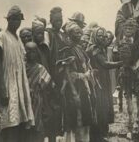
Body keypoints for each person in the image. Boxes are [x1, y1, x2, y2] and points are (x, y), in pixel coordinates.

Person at [0, 5, 34, 142]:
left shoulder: (18, 39)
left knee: (19, 120)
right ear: (8, 20)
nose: (17, 22)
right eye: (14, 19)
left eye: (19, 20)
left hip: (19, 81)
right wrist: (3, 87)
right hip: (7, 80)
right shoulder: (1, 37)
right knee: (9, 121)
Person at [59, 22, 96, 142]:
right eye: (76, 32)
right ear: (69, 34)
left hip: (84, 89)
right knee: (75, 118)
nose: (79, 34)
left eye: (80, 32)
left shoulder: (80, 49)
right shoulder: (67, 50)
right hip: (73, 90)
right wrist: (75, 93)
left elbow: (86, 66)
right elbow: (68, 73)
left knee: (85, 118)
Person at [86, 27, 122, 141]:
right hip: (97, 81)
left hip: (102, 79)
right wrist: (121, 63)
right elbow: (105, 64)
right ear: (95, 36)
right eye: (99, 35)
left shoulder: (100, 47)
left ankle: (100, 133)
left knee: (102, 105)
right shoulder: (95, 49)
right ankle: (97, 135)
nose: (102, 38)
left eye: (103, 35)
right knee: (99, 106)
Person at [45, 7, 66, 141]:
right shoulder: (49, 34)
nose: (59, 22)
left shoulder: (63, 34)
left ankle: (59, 135)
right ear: (51, 20)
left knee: (62, 105)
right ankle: (51, 136)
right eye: (56, 20)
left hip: (64, 74)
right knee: (52, 106)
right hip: (53, 74)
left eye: (61, 19)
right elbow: (48, 56)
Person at [24, 42, 53, 142]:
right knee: (24, 128)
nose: (31, 54)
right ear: (24, 52)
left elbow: (44, 88)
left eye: (34, 51)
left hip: (37, 102)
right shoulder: (21, 67)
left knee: (37, 127)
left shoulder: (40, 68)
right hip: (23, 102)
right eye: (29, 51)